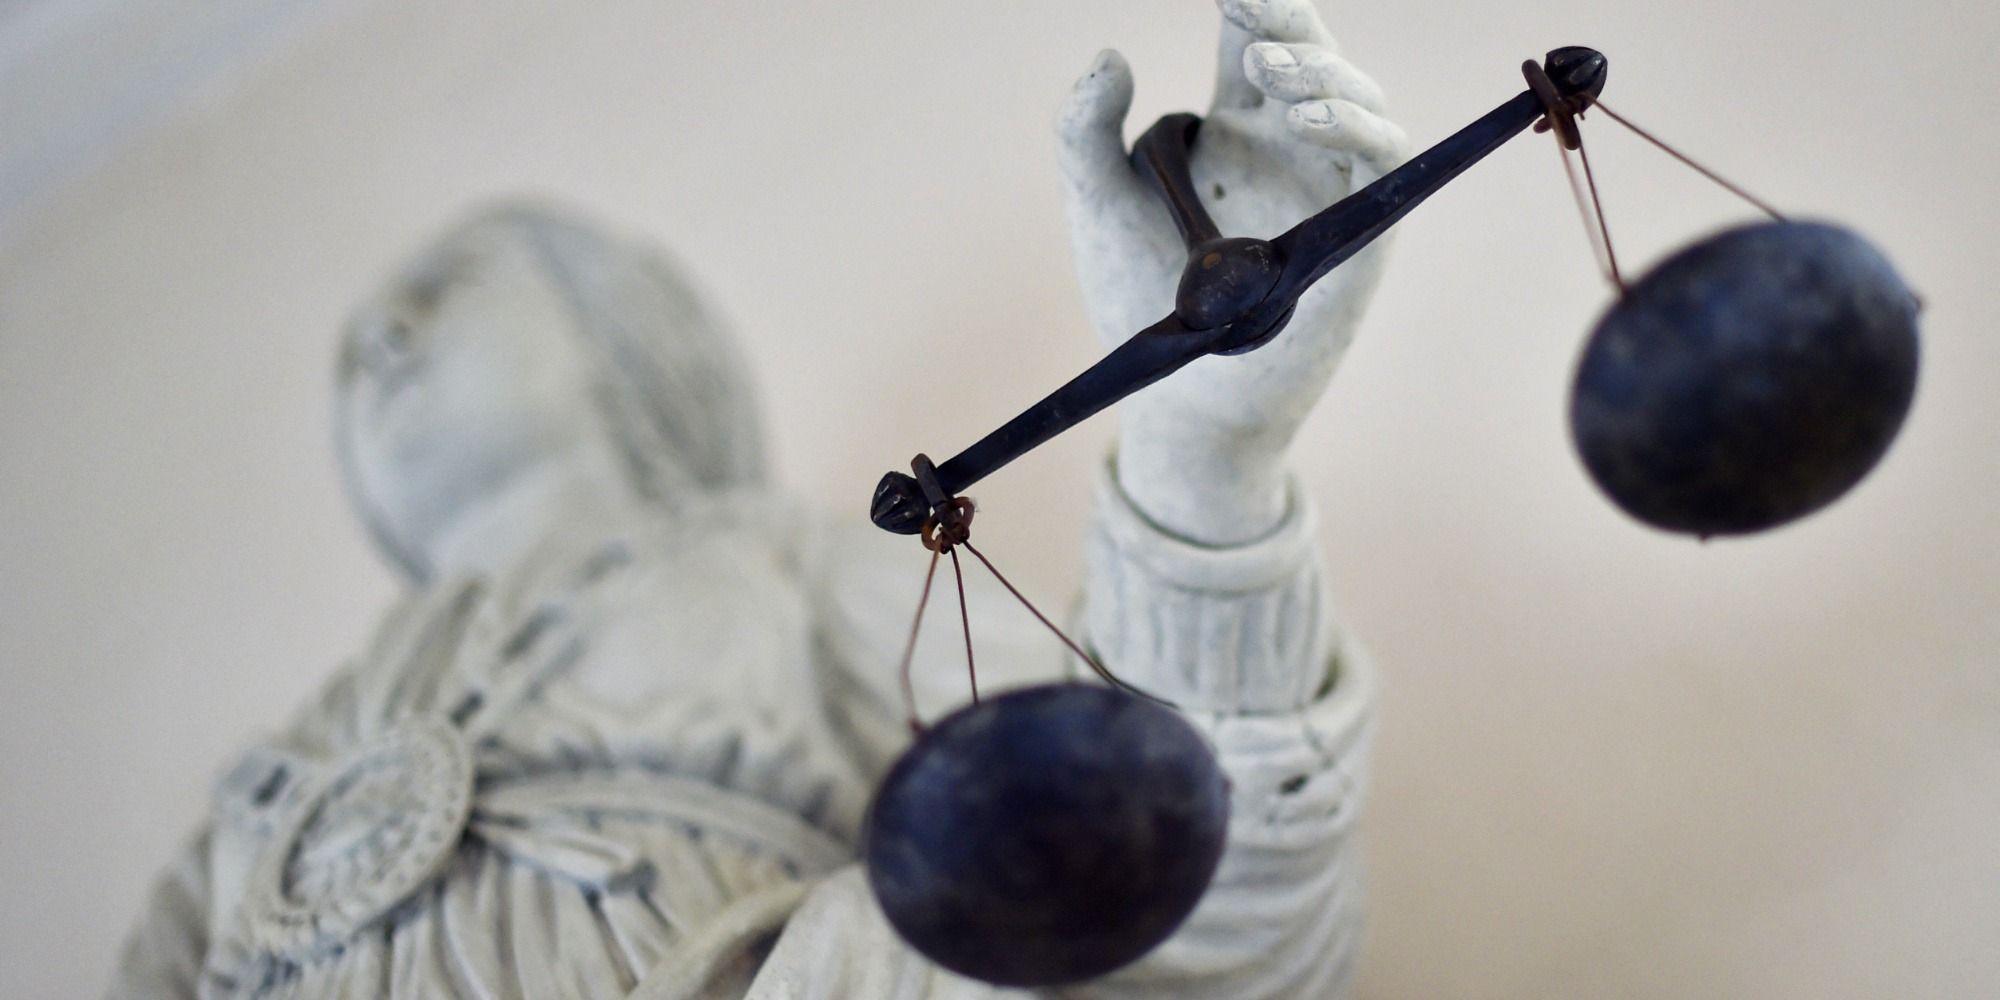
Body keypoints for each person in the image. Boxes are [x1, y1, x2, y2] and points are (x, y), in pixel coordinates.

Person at [108, 1, 1407, 996]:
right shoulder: (271, 777)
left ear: (624, 334)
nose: (383, 338)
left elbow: (1191, 898)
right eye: (354, 358)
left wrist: (1199, 452)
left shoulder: (773, 570)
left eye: (446, 287)